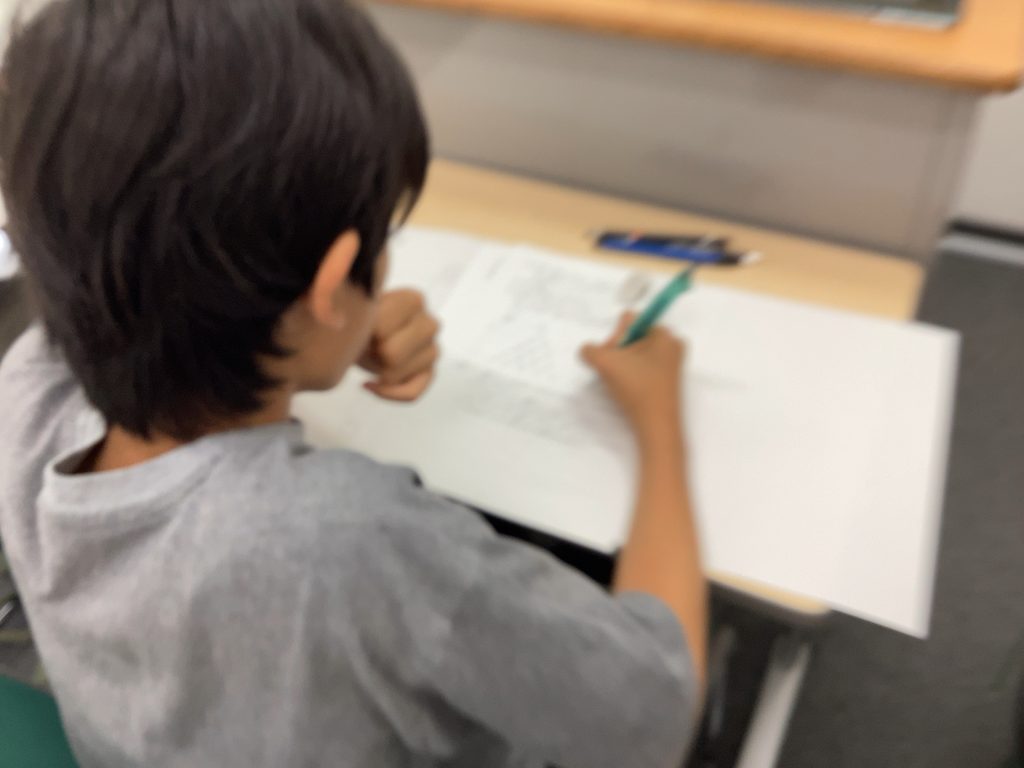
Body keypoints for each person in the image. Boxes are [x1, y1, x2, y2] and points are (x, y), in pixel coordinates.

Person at [0, 1, 707, 766]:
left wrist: (308, 336)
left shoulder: (27, 388)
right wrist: (659, 424)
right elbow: (653, 712)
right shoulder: (354, 544)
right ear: (333, 282)